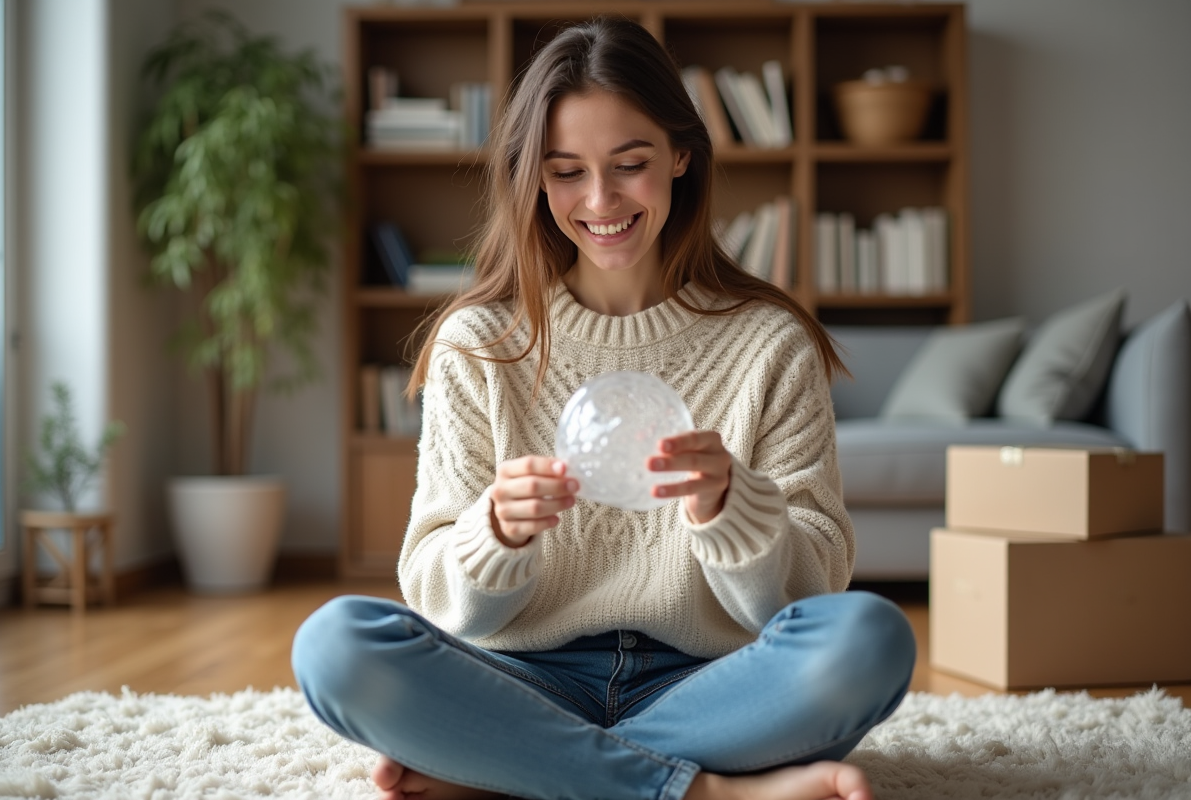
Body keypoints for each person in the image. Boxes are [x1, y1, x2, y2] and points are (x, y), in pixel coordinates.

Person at [293, 17, 915, 800]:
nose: (599, 200)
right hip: (522, 674)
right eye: (565, 172)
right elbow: (432, 589)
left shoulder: (770, 343)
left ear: (681, 154)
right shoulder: (478, 344)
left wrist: (734, 510)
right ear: (532, 176)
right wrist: (494, 533)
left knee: (869, 638)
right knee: (336, 645)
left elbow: (812, 594)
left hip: (711, 682)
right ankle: (704, 791)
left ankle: (512, 769)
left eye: (630, 164)